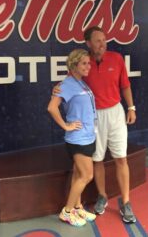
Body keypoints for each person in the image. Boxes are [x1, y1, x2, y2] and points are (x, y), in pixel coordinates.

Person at [53, 26, 137, 223]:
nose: (102, 44)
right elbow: (70, 81)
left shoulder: (116, 58)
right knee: (97, 160)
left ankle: (125, 202)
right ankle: (102, 196)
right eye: (98, 40)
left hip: (115, 112)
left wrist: (131, 107)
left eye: (104, 40)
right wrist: (58, 89)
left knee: (121, 158)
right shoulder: (84, 61)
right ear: (88, 43)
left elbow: (125, 85)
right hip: (93, 117)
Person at [47, 48, 97, 227]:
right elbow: (52, 108)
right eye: (84, 63)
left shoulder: (81, 83)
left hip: (88, 136)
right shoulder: (67, 84)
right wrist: (66, 125)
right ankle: (67, 212)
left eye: (89, 63)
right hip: (78, 139)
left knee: (78, 174)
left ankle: (77, 207)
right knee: (87, 175)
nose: (88, 66)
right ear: (74, 65)